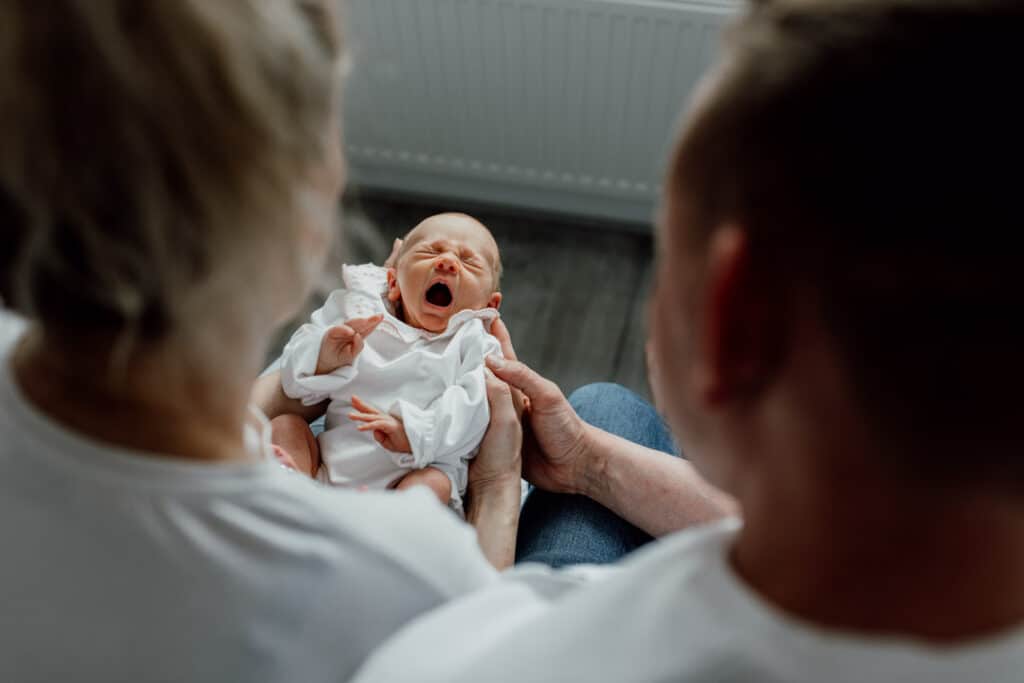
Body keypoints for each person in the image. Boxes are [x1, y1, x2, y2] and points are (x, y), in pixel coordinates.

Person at [353, 0, 1024, 681]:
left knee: (609, 402)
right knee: (603, 413)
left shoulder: (473, 657)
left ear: (737, 321)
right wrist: (587, 461)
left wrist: (497, 486)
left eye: (668, 258)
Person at [0, 2, 530, 681]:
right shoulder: (406, 572)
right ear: (301, 218)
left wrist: (280, 392)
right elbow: (489, 655)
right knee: (607, 407)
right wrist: (496, 484)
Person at [271, 212, 505, 512]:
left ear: (489, 304)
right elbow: (292, 375)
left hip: (409, 473)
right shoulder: (359, 310)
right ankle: (292, 498)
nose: (447, 262)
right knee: (286, 426)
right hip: (328, 472)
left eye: (469, 261)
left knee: (435, 483)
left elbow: (473, 410)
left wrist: (414, 432)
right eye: (430, 251)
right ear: (393, 281)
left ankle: (382, 528)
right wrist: (323, 357)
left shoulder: (474, 342)